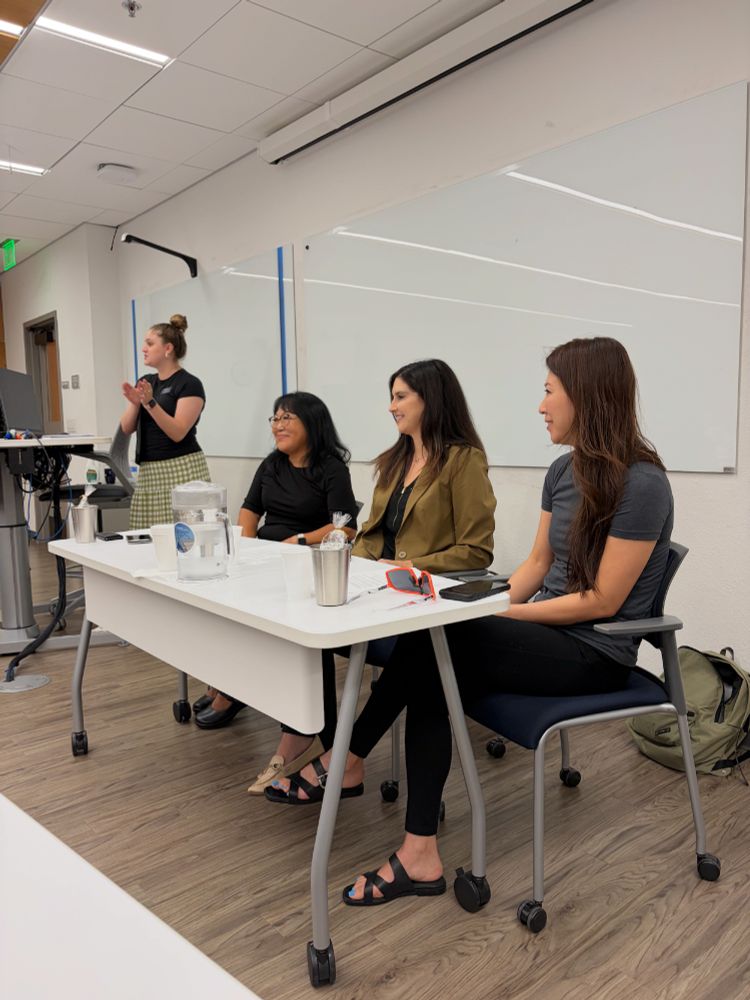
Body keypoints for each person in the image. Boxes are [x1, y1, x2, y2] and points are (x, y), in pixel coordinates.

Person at [328, 336, 674, 905]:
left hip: (595, 652)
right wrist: (486, 602)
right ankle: (414, 844)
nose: (540, 406)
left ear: (588, 397)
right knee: (435, 645)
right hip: (547, 632)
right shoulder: (562, 472)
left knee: (437, 642)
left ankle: (350, 763)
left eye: (549, 392)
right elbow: (537, 564)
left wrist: (502, 610)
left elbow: (602, 601)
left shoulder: (643, 483)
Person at [265, 358, 497, 805]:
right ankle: (329, 750)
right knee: (306, 630)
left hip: (420, 601)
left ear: (431, 399)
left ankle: (342, 761)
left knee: (413, 648)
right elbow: (373, 534)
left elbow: (476, 551)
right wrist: (344, 562)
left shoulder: (463, 461)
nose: (391, 407)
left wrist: (405, 571)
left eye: (400, 396)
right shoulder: (395, 460)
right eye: (391, 397)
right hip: (378, 592)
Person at [194, 392, 359, 792]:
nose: (277, 425)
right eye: (275, 418)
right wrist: (245, 549)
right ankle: (233, 687)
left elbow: (346, 527)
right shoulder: (271, 464)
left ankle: (289, 726)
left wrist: (299, 541)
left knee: (275, 628)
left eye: (287, 418)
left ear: (311, 423)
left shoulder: (331, 468)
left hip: (306, 567)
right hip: (264, 561)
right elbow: (250, 509)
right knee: (223, 609)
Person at [120, 314, 209, 530]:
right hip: (150, 472)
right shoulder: (147, 382)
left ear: (168, 349)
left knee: (185, 537)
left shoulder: (189, 384)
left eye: (150, 344)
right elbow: (126, 428)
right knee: (148, 539)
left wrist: (150, 403)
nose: (144, 349)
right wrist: (135, 403)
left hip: (181, 470)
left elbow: (178, 432)